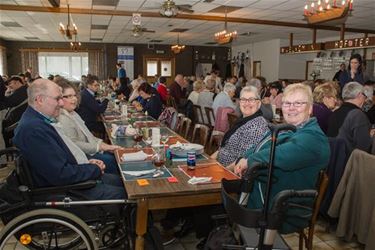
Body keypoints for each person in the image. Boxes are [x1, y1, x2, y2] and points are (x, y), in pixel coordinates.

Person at [233, 83, 330, 233]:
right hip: (266, 192)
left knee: (224, 201)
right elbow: (259, 146)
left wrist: (249, 161)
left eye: (298, 103)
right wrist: (243, 158)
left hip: (285, 207)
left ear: (310, 108)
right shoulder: (287, 129)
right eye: (287, 103)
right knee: (225, 196)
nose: (291, 108)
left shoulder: (313, 138)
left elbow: (279, 155)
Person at [12, 79, 125, 199]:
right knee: (126, 193)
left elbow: (58, 160)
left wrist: (85, 164)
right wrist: (93, 169)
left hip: (70, 178)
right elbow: (60, 175)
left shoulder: (39, 121)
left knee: (120, 181)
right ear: (40, 100)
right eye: (57, 99)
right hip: (65, 191)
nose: (61, 103)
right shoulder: (33, 130)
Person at [56, 80, 122, 175]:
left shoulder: (73, 113)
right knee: (114, 161)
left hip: (89, 151)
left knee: (115, 155)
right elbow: (75, 145)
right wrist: (101, 147)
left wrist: (105, 146)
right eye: (69, 96)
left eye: (74, 95)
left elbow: (88, 135)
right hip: (83, 156)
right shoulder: (63, 118)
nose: (74, 99)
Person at [211, 86, 269, 167]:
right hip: (218, 166)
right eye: (243, 99)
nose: (247, 103)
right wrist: (208, 162)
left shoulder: (257, 126)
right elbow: (223, 148)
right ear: (239, 102)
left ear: (258, 104)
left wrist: (223, 171)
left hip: (231, 173)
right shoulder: (241, 121)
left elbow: (243, 161)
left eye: (251, 100)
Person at [327, 81, 373, 153]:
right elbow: (364, 148)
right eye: (364, 95)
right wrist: (370, 136)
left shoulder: (335, 112)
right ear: (359, 95)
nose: (365, 99)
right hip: (350, 161)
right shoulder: (358, 115)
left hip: (333, 158)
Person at [0, 76, 28, 147]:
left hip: (16, 122)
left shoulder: (22, 91)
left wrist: (6, 94)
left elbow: (8, 102)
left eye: (10, 83)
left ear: (17, 82)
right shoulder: (21, 90)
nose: (9, 86)